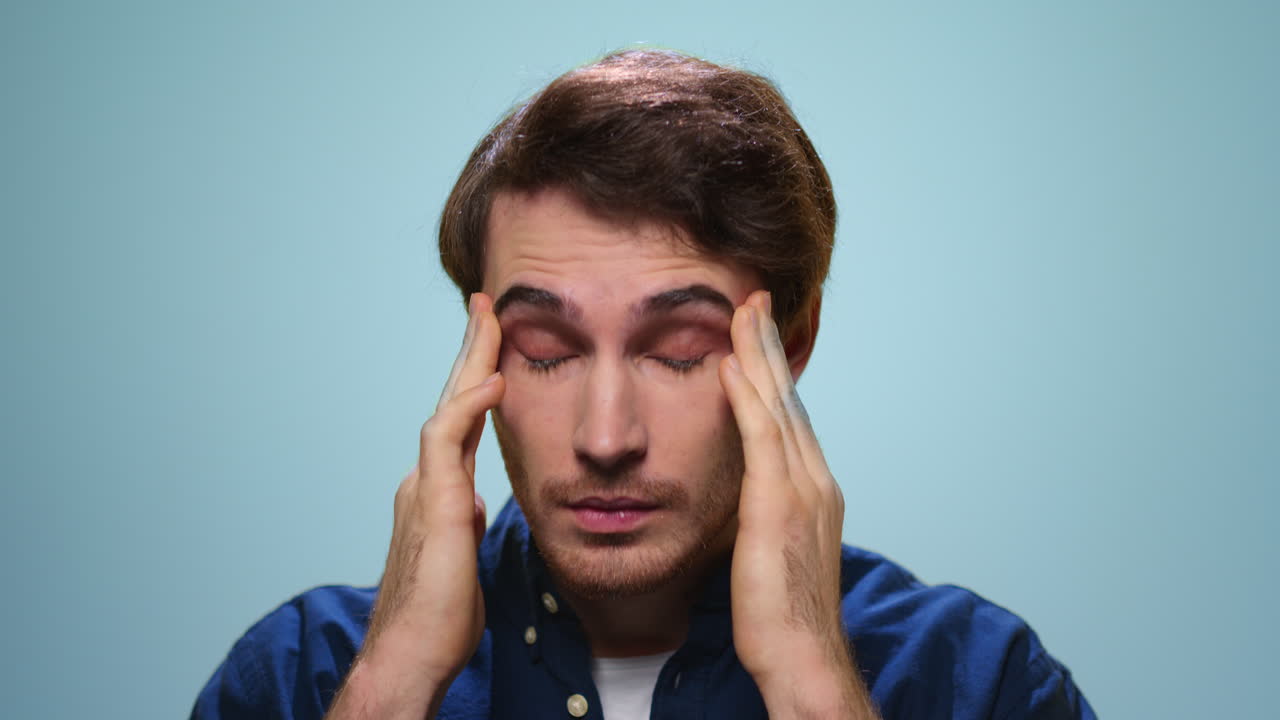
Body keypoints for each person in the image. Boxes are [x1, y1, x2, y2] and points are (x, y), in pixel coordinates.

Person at [191, 49, 1096, 720]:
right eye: (544, 350)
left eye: (677, 351)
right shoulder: (302, 676)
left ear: (796, 338)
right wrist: (394, 682)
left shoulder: (979, 682)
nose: (606, 436)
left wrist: (809, 680)